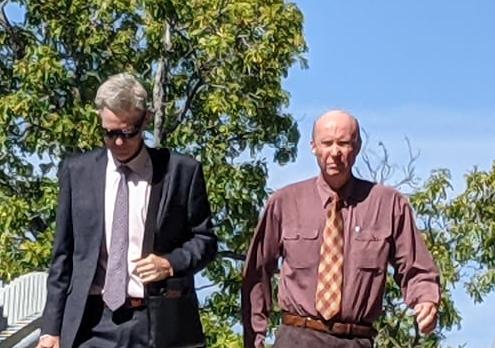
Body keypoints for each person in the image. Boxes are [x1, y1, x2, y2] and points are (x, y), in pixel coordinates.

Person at [37, 73, 217, 348]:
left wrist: (170, 263)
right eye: (109, 134)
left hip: (157, 324)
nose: (118, 143)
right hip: (90, 324)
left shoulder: (181, 172)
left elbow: (205, 241)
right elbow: (63, 256)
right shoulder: (77, 172)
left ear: (144, 120)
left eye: (127, 133)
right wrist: (50, 329)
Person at [242, 110, 440, 347]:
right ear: (314, 146)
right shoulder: (285, 202)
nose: (334, 152)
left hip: (356, 339)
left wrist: (426, 299)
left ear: (356, 147)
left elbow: (416, 268)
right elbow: (256, 273)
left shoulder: (388, 204)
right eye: (327, 143)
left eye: (343, 143)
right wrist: (255, 336)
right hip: (297, 337)